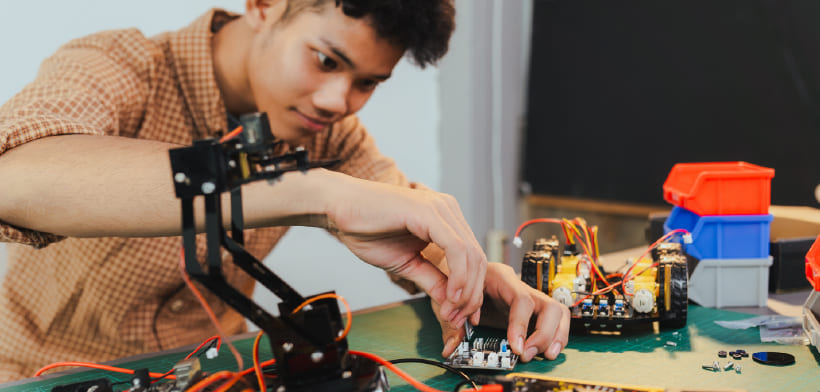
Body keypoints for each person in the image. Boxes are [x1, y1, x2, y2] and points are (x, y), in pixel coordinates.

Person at [0, 0, 569, 381]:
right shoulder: (119, 65)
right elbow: (15, 175)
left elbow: (403, 214)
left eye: (368, 82)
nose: (337, 102)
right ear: (264, 5)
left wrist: (474, 276)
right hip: (38, 376)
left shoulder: (331, 134)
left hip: (212, 375)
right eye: (326, 60)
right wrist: (311, 191)